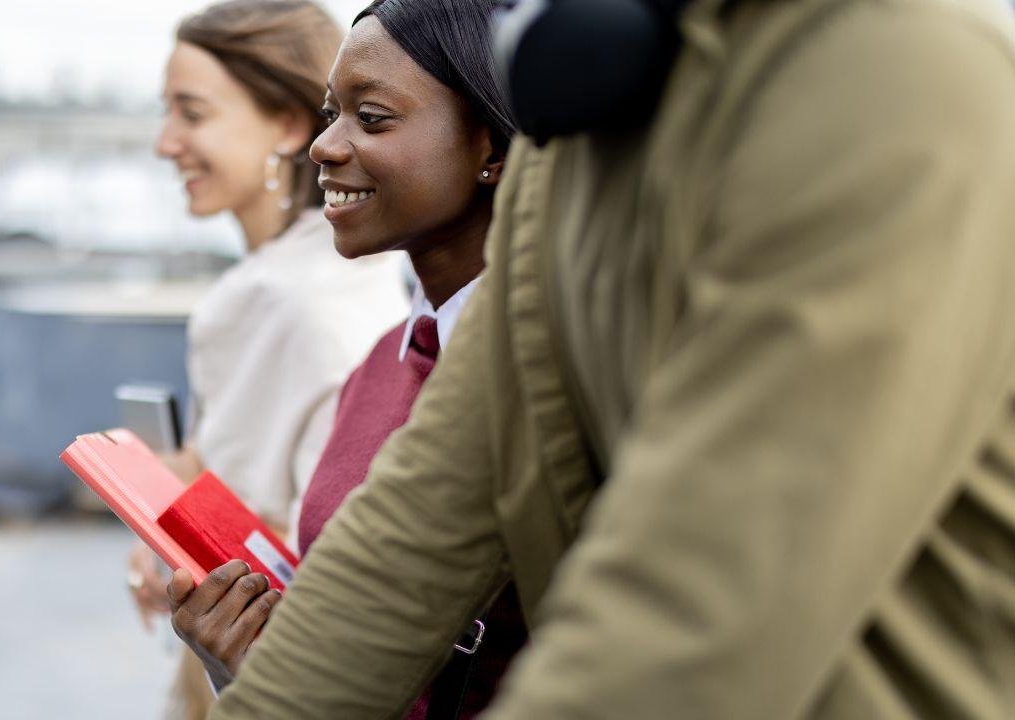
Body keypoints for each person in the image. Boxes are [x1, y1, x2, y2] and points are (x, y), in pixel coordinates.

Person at [204, 0, 1015, 717]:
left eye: (373, 117)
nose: (328, 146)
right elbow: (413, 531)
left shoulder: (887, 69)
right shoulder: (579, 135)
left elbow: (696, 614)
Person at [163, 2, 526, 717]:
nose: (324, 146)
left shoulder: (540, 384)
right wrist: (248, 664)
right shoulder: (382, 364)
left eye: (373, 118)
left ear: (491, 146)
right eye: (332, 114)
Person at [123, 0, 409, 716]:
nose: (165, 142)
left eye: (192, 113)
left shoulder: (276, 302)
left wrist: (172, 540)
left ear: (286, 125)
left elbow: (300, 534)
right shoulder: (359, 274)